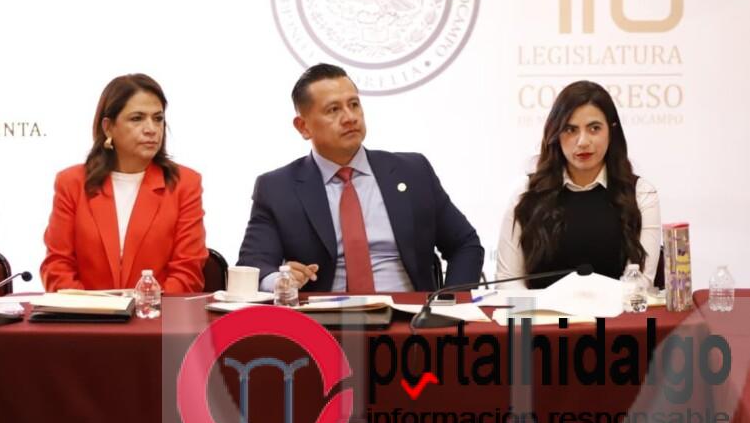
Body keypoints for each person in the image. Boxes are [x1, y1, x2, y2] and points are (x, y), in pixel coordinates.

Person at [238, 63, 484, 293]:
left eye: (354, 104)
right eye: (333, 110)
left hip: (410, 317)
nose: (350, 117)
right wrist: (280, 280)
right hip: (322, 320)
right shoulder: (278, 188)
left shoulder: (413, 171)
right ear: (303, 127)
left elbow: (465, 244)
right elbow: (252, 266)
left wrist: (448, 305)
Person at [41, 74, 207, 293]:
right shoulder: (71, 183)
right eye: (137, 118)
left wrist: (146, 307)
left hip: (157, 312)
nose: (151, 129)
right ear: (108, 127)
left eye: (158, 118)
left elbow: (187, 273)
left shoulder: (184, 184)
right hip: (85, 313)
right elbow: (57, 267)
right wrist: (91, 309)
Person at [495, 80, 661, 289]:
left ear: (612, 131)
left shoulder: (641, 193)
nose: (582, 141)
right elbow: (507, 281)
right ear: (555, 134)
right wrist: (543, 308)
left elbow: (641, 284)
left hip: (614, 310)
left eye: (594, 128)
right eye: (570, 130)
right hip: (543, 310)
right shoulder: (526, 192)